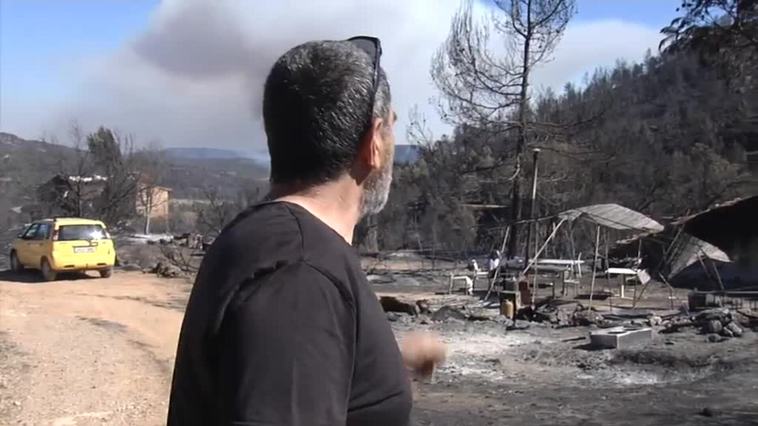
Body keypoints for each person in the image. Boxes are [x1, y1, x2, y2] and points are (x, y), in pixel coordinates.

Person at [168, 37, 445, 426]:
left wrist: (380, 372)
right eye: (392, 128)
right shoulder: (300, 273)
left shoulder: (271, 244)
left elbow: (294, 380)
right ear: (374, 144)